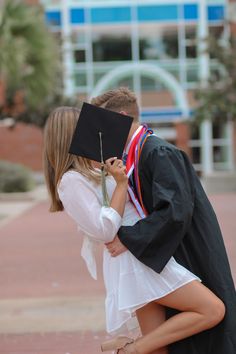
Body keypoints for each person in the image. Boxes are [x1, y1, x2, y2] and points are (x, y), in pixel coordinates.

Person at [90, 87, 236, 354]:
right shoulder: (134, 155)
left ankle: (130, 349)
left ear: (122, 117)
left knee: (204, 325)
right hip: (158, 253)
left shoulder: (157, 152)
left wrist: (127, 237)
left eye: (103, 124)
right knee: (162, 340)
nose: (100, 132)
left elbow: (175, 212)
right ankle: (132, 347)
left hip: (188, 250)